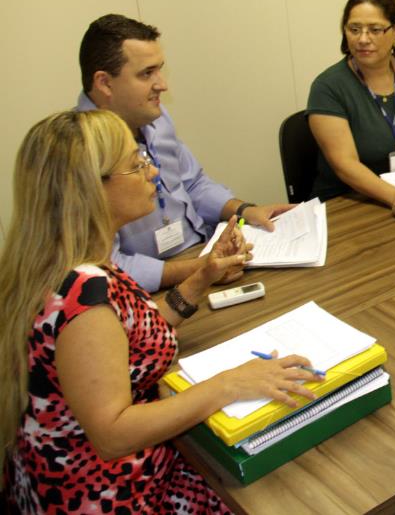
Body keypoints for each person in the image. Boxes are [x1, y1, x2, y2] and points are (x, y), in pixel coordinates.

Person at [0, 110, 319, 512]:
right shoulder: (83, 295)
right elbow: (113, 433)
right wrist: (230, 384)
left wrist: (202, 278)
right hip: (111, 492)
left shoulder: (75, 262)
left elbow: (129, 335)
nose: (152, 173)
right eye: (136, 166)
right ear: (91, 189)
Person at [78, 13, 293, 292]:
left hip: (201, 258)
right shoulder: (76, 153)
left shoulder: (155, 116)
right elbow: (102, 268)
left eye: (160, 70)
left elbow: (193, 183)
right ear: (105, 83)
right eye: (147, 73)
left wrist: (244, 211)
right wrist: (199, 270)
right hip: (152, 290)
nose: (162, 84)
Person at [307, 0, 395, 218]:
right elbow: (344, 165)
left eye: (375, 30)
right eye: (354, 29)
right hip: (347, 205)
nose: (363, 39)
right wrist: (394, 196)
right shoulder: (328, 87)